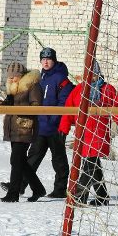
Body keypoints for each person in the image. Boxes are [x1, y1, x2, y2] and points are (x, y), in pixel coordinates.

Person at [58, 61, 118, 206]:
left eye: (94, 74)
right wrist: (63, 128)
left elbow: (117, 106)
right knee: (93, 165)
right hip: (82, 134)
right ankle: (102, 196)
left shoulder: (107, 89)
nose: (91, 77)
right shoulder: (79, 90)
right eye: (88, 74)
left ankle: (79, 196)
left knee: (89, 165)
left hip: (99, 134)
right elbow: (69, 108)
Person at [24, 47, 74, 199]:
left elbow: (63, 102)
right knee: (32, 157)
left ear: (54, 60)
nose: (45, 62)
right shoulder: (41, 78)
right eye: (43, 59)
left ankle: (59, 189)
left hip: (55, 127)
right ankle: (19, 185)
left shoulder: (61, 78)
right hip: (41, 126)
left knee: (58, 160)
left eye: (49, 59)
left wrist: (54, 121)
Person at [0, 62, 47, 202]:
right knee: (19, 160)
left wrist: (16, 109)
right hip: (14, 127)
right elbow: (14, 104)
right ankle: (38, 189)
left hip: (25, 127)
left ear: (22, 75)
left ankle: (13, 193)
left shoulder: (32, 85)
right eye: (10, 77)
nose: (12, 79)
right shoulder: (14, 87)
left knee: (16, 160)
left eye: (14, 77)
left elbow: (36, 106)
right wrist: (5, 104)